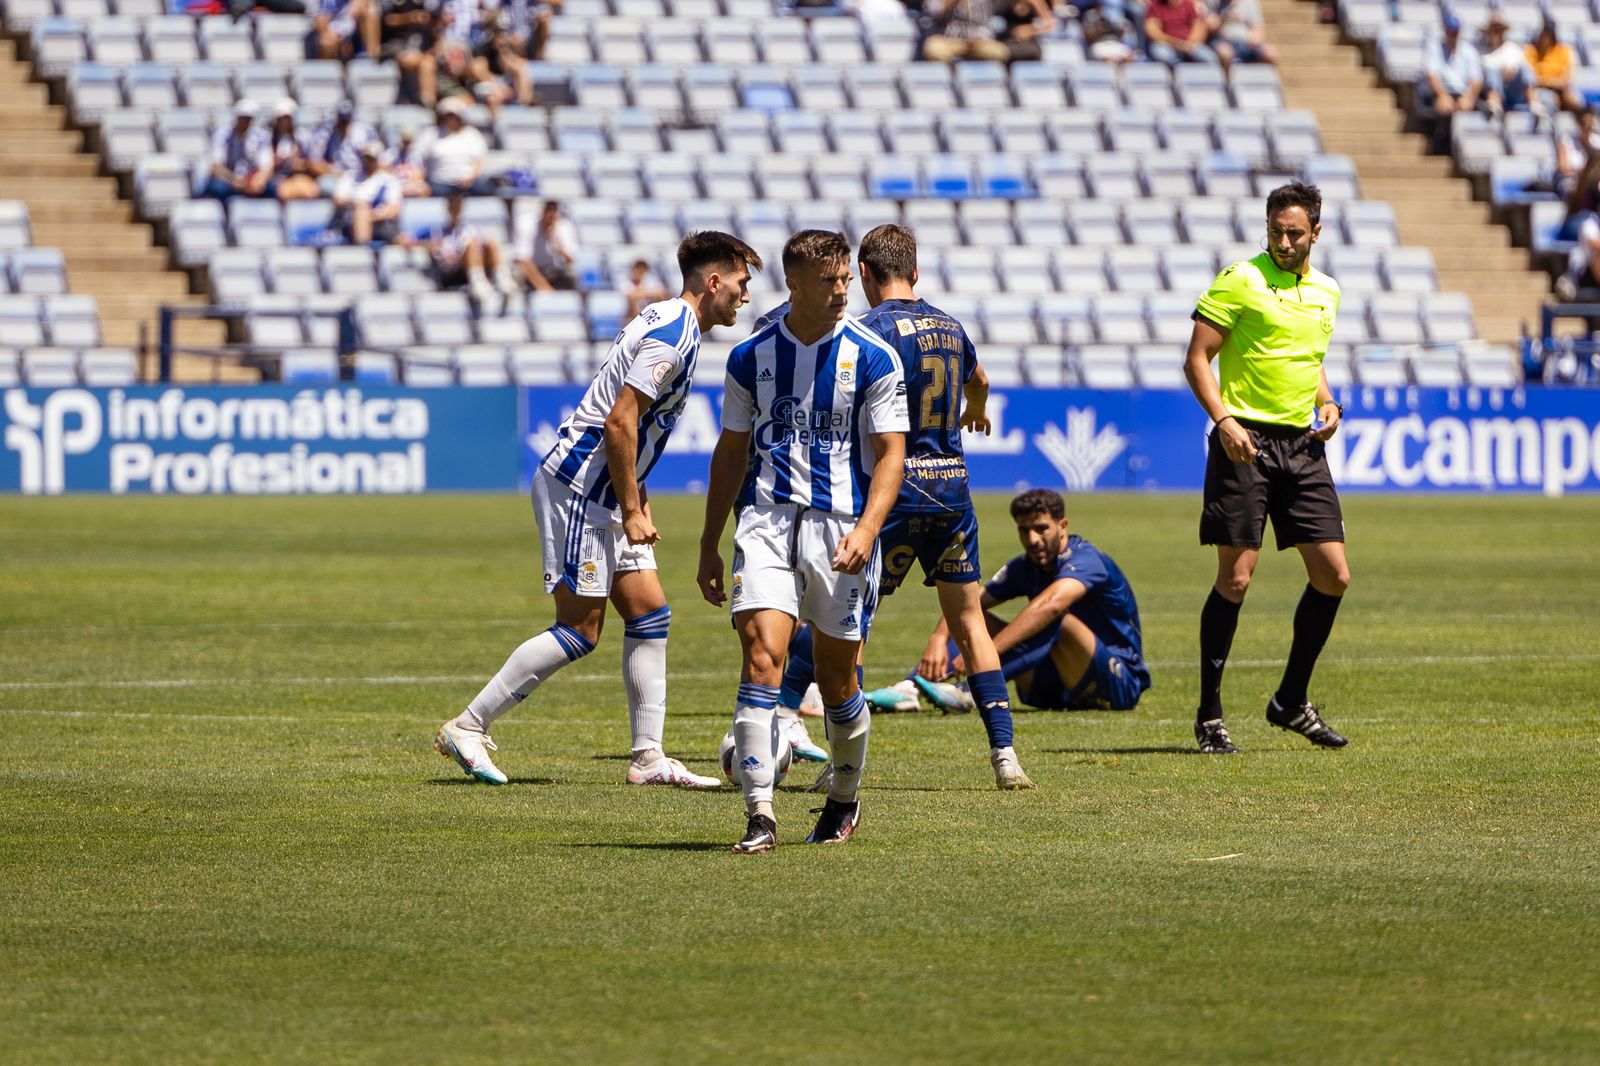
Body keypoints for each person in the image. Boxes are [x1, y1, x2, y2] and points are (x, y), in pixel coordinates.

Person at [435, 232, 762, 788]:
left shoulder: (662, 318)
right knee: (580, 630)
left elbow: (632, 424)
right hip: (582, 491)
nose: (744, 295)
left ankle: (648, 758)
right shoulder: (674, 336)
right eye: (740, 283)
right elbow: (619, 421)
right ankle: (468, 726)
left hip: (608, 491)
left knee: (651, 613)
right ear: (713, 282)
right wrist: (631, 508)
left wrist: (636, 497)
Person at [771, 224, 1036, 790]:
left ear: (863, 273)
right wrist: (975, 409)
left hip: (890, 499)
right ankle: (1005, 756)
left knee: (847, 623)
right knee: (969, 623)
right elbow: (980, 380)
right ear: (915, 272)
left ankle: (819, 747)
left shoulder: (866, 331)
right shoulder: (951, 325)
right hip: (951, 492)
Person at [697, 230, 909, 854]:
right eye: (829, 281)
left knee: (840, 680)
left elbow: (893, 454)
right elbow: (731, 451)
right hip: (764, 522)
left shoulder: (873, 356)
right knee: (762, 657)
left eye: (846, 279)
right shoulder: (750, 357)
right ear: (794, 283)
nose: (843, 291)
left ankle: (844, 797)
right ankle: (760, 816)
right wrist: (711, 540)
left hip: (841, 528)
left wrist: (868, 529)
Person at [1183, 181, 1351, 756]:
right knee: (1236, 579)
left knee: (1333, 576)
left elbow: (1311, 362)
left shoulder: (1328, 291)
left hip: (1303, 447)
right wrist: (1224, 421)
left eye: (1294, 233)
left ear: (1316, 234)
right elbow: (1196, 357)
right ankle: (1209, 714)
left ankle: (1289, 701)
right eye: (1276, 231)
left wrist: (1327, 403)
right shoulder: (1241, 279)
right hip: (1244, 442)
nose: (1283, 241)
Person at [877, 488, 1150, 716]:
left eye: (1041, 528)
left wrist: (984, 657)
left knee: (1052, 614)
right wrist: (937, 638)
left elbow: (1051, 605)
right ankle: (911, 688)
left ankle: (972, 689)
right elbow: (971, 602)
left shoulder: (1087, 560)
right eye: (1025, 530)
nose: (1032, 539)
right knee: (973, 618)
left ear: (1062, 525)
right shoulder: (1026, 566)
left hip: (1117, 682)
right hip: (1055, 686)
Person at [413, 192, 517, 300]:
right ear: (448, 210)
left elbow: (481, 248)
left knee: (490, 241)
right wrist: (428, 245)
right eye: (453, 209)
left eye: (458, 209)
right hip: (450, 272)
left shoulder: (469, 230)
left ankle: (502, 278)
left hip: (468, 265)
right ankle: (478, 282)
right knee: (471, 245)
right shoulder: (436, 231)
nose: (455, 213)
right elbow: (407, 240)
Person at [1419, 12, 1484, 150]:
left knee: (1473, 109)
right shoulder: (1434, 47)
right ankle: (1441, 145)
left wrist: (1469, 97)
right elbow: (1431, 75)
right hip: (1441, 91)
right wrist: (1442, 95)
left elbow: (1477, 79)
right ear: (1445, 31)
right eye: (1450, 31)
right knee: (1444, 107)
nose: (1453, 34)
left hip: (1463, 93)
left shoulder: (1469, 50)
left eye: (1455, 31)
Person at [922, 0, 1050, 63]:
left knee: (999, 51)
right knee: (933, 47)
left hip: (981, 43)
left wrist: (1033, 28)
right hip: (950, 41)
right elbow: (933, 12)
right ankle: (952, 76)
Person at [332, 142, 404, 245]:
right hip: (351, 221)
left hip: (379, 222)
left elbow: (393, 209)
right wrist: (358, 204)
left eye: (371, 159)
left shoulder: (388, 180)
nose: (367, 162)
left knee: (403, 240)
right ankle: (363, 250)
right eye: (365, 158)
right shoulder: (350, 176)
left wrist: (370, 216)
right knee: (361, 210)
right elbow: (338, 199)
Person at [417, 97, 491, 197]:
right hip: (440, 181)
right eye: (447, 116)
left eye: (454, 116)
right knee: (434, 193)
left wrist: (471, 177)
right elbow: (419, 159)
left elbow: (479, 159)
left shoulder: (471, 133)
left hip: (468, 180)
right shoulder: (430, 134)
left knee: (485, 190)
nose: (451, 119)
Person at [199, 99, 269, 201]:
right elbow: (216, 166)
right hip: (227, 179)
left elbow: (265, 165)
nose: (245, 122)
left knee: (270, 187)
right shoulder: (222, 135)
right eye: (242, 118)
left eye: (248, 119)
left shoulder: (260, 136)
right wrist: (233, 180)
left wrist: (258, 180)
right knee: (217, 188)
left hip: (250, 179)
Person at [260, 98, 319, 202]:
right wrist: (282, 160)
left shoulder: (302, 136)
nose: (284, 121)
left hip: (297, 175)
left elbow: (310, 161)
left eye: (287, 118)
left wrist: (301, 164)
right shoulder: (269, 137)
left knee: (310, 192)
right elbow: (266, 163)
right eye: (282, 118)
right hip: (277, 175)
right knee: (285, 193)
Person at [516, 200, 580, 291]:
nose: (550, 215)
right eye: (548, 209)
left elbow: (571, 259)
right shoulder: (526, 224)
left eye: (554, 210)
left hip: (554, 272)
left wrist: (555, 242)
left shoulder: (565, 227)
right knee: (518, 273)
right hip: (532, 272)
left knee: (572, 276)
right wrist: (544, 287)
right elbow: (522, 260)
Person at [306, 101, 377, 183]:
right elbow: (314, 162)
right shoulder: (326, 133)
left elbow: (373, 160)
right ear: (337, 118)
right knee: (326, 185)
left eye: (346, 120)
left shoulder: (362, 132)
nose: (344, 124)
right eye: (342, 120)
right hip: (335, 175)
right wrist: (332, 172)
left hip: (359, 175)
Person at [1479, 11, 1532, 114]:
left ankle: (1533, 102)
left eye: (1499, 30)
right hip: (1488, 90)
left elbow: (1517, 70)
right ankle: (1493, 101)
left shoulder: (1512, 48)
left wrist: (1504, 74)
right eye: (1494, 30)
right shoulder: (1481, 50)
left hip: (1512, 88)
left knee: (1525, 69)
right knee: (1491, 72)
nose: (1497, 33)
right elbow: (1480, 73)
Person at [1527, 20, 1584, 115]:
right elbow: (1531, 79)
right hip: (1540, 89)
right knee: (1551, 101)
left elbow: (1566, 79)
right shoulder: (1530, 51)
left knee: (1574, 101)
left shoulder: (1563, 51)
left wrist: (1550, 82)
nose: (1545, 39)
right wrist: (1550, 82)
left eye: (1548, 35)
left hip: (1561, 88)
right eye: (1543, 35)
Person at [1144, 0, 1222, 67]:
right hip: (1166, 43)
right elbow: (1153, 32)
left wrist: (1189, 43)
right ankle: (1175, 77)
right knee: (1161, 53)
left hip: (1189, 43)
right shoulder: (1155, 6)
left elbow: (1199, 27)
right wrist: (1174, 43)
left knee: (1210, 58)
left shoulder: (1188, 4)